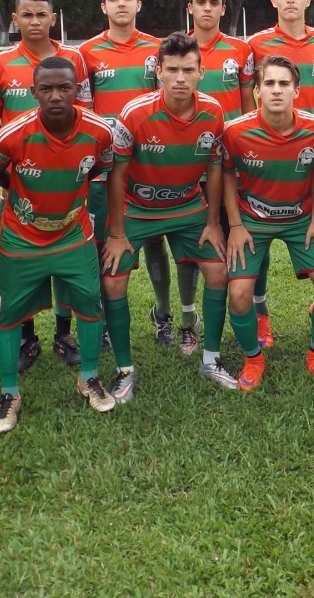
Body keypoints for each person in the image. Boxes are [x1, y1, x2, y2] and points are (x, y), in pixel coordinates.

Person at [0, 57, 117, 430]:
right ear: (33, 93)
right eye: (46, 89)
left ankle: (88, 377)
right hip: (21, 237)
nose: (56, 96)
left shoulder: (99, 131)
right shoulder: (11, 134)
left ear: (78, 90)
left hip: (73, 233)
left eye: (64, 88)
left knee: (90, 303)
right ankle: (9, 393)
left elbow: (100, 167)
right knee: (9, 313)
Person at [101, 33, 235, 397]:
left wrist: (212, 223)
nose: (180, 78)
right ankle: (125, 369)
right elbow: (116, 174)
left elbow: (215, 167)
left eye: (188, 70)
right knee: (113, 279)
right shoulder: (135, 113)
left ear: (200, 72)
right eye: (172, 69)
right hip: (138, 210)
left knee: (218, 271)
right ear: (158, 71)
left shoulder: (213, 111)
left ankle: (211, 359)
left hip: (189, 208)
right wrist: (116, 232)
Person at [0, 0, 91, 372]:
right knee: (23, 267)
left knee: (67, 261)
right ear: (14, 19)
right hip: (21, 186)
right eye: (26, 15)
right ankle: (27, 338)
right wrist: (16, 168)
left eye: (41, 14)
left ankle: (64, 334)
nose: (34, 22)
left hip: (67, 184)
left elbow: (86, 115)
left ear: (53, 18)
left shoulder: (73, 58)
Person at [222, 55, 314, 391]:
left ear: (297, 91)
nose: (276, 90)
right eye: (269, 83)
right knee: (240, 295)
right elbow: (227, 172)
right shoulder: (235, 131)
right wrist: (235, 225)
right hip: (252, 221)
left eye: (284, 84)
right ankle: (252, 358)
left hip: (301, 219)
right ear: (257, 90)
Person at [79, 0, 175, 346]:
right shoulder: (86, 53)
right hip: (107, 167)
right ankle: (103, 321)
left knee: (155, 241)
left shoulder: (158, 50)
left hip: (151, 161)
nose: (122, 4)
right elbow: (83, 109)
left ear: (139, 4)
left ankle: (162, 314)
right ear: (103, 7)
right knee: (107, 241)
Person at [246, 0, 314, 348]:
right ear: (273, 1)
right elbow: (252, 93)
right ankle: (261, 313)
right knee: (257, 239)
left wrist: (313, 129)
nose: (290, 0)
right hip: (265, 152)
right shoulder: (256, 43)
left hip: (310, 151)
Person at [176, 0, 256, 345]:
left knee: (238, 237)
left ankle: (253, 310)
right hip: (186, 164)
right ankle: (189, 320)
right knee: (192, 248)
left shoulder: (241, 52)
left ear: (224, 9)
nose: (207, 8)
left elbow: (247, 105)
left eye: (214, 3)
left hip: (228, 163)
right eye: (200, 2)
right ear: (189, 7)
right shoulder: (174, 50)